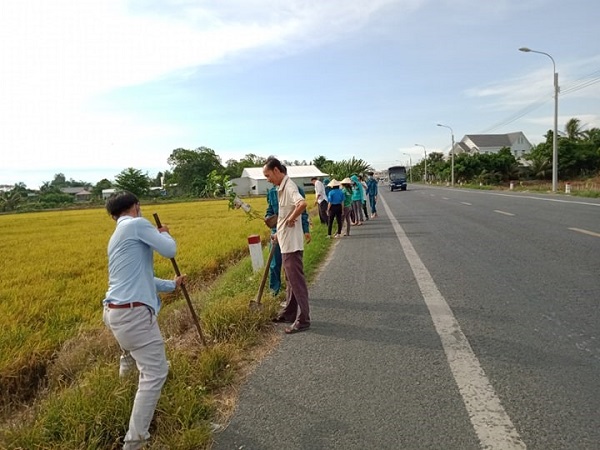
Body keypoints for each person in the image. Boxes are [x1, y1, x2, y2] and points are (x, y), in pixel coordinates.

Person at [102, 191, 185, 450]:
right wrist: (164, 232)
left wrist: (172, 285)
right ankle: (134, 442)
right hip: (133, 315)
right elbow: (169, 249)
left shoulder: (116, 237)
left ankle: (121, 400)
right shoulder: (137, 224)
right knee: (155, 373)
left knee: (128, 357)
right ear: (136, 207)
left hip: (114, 312)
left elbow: (141, 277)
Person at [264, 157, 311, 334]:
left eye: (268, 175)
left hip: (292, 244)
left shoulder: (290, 186)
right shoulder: (280, 188)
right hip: (284, 241)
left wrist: (292, 219)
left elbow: (302, 204)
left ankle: (304, 319)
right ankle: (289, 313)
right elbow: (283, 215)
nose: (267, 179)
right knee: (291, 281)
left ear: (277, 170)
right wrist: (278, 232)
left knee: (296, 282)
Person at [265, 172, 311, 296]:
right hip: (277, 232)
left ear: (279, 173)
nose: (268, 180)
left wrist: (306, 230)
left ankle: (292, 292)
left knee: (289, 266)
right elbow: (269, 210)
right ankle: (274, 291)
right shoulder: (271, 192)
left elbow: (303, 210)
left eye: (269, 176)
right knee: (274, 263)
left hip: (290, 233)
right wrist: (268, 218)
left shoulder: (295, 189)